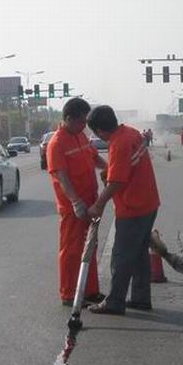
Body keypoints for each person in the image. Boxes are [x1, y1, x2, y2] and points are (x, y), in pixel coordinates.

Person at [85, 105, 160, 315]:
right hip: (149, 203)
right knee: (139, 256)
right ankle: (141, 298)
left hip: (134, 207)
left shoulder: (118, 143)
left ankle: (114, 302)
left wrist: (98, 205)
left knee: (121, 257)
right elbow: (125, 165)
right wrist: (109, 171)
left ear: (99, 130)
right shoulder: (131, 132)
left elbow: (117, 182)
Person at [46, 98, 107, 306]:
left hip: (91, 202)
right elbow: (61, 176)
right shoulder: (57, 143)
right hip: (74, 208)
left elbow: (95, 159)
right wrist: (75, 202)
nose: (85, 126)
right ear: (69, 119)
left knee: (89, 246)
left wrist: (109, 169)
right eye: (82, 121)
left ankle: (89, 291)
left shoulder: (81, 136)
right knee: (72, 250)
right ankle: (69, 293)